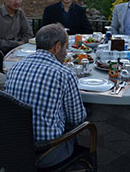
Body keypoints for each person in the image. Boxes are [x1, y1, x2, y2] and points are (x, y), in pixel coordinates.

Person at [5, 23, 86, 167]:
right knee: (84, 122)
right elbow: (77, 119)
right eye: (66, 47)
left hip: (14, 147)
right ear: (57, 47)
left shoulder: (15, 67)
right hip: (47, 152)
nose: (66, 53)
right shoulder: (64, 74)